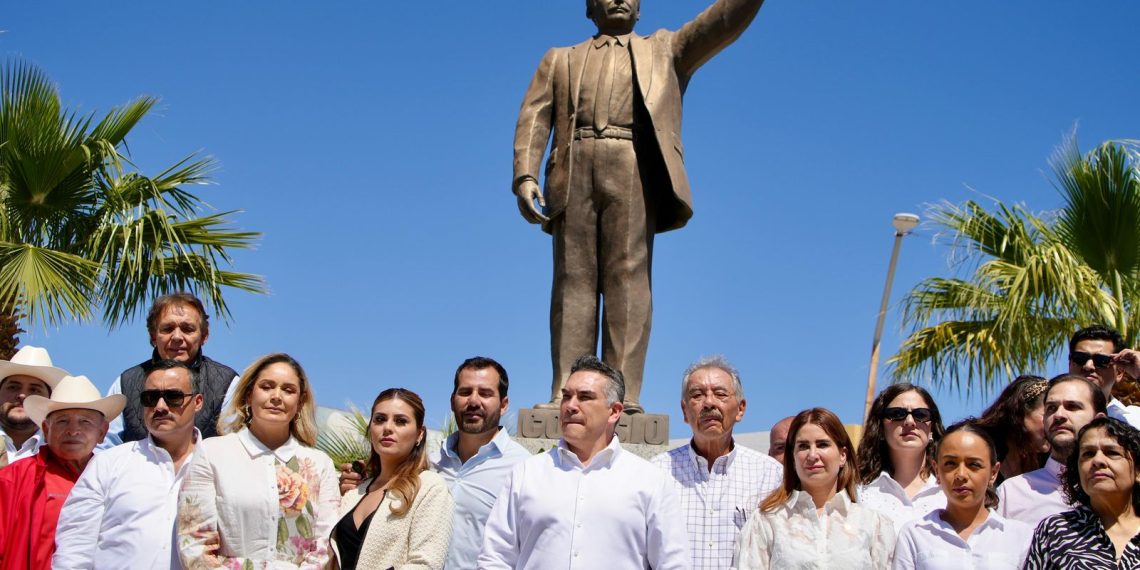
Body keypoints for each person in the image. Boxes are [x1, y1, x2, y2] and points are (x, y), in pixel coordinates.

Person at [513, 0, 766, 412]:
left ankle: (622, 394)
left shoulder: (665, 49)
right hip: (574, 163)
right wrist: (525, 174)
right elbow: (534, 118)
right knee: (571, 282)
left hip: (633, 160)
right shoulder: (559, 59)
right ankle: (568, 390)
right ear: (589, 8)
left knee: (627, 277)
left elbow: (720, 23)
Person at [479, 355, 689, 569]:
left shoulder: (650, 481)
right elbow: (495, 558)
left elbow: (673, 563)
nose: (570, 406)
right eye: (566, 396)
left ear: (614, 411)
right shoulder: (526, 474)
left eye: (585, 397)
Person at [336, 357, 532, 570]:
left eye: (485, 393)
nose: (474, 401)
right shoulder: (429, 460)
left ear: (503, 405)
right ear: (452, 401)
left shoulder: (524, 468)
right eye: (465, 392)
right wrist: (355, 484)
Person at [177, 353, 339, 568]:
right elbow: (194, 544)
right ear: (248, 395)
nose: (276, 396)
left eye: (288, 390)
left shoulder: (321, 465)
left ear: (300, 402)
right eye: (267, 387)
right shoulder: (212, 453)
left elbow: (325, 546)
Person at [54, 360, 205, 569]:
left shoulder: (221, 464)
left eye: (173, 397)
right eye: (150, 398)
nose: (160, 407)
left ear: (198, 402)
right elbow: (74, 549)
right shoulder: (108, 464)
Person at [651, 355, 782, 570]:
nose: (709, 403)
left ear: (740, 409)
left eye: (720, 394)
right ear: (684, 411)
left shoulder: (770, 475)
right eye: (697, 395)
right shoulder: (657, 471)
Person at [732, 407, 895, 569]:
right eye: (803, 446)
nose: (812, 455)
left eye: (822, 444)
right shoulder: (766, 521)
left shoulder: (873, 524)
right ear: (793, 457)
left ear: (843, 455)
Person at [0, 375, 125, 569]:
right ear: (45, 428)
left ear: (102, 432)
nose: (73, 430)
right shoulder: (12, 479)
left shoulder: (119, 481)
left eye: (85, 421)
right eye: (62, 421)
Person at [331, 388, 453, 569]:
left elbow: (426, 564)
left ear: (420, 433)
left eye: (401, 421)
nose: (388, 427)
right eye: (380, 419)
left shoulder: (430, 487)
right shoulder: (356, 491)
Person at [892, 421, 1033, 569]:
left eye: (974, 465)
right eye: (950, 464)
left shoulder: (1020, 536)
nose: (961, 475)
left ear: (993, 473)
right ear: (937, 470)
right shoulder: (915, 534)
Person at [105, 292, 240, 445]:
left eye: (187, 329)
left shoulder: (228, 384)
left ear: (204, 336)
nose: (177, 337)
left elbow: (235, 447)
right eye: (168, 329)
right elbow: (105, 446)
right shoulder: (125, 383)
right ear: (153, 336)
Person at [1024, 417, 1140, 568]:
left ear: (1138, 471)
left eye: (1111, 452)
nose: (1097, 460)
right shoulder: (1056, 530)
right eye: (1088, 454)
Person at [996, 374, 1107, 527]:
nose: (1059, 415)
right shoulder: (1012, 494)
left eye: (1072, 407)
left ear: (1098, 420)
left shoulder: (1122, 488)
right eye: (1051, 408)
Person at [857, 383, 948, 530]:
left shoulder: (950, 490)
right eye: (897, 414)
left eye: (921, 415)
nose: (910, 422)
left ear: (932, 426)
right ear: (879, 427)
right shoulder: (859, 493)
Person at [0, 346, 68, 466]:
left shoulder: (67, 456)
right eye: (13, 387)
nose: (22, 395)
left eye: (34, 390)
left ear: (49, 401)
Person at [975, 375, 1050, 483]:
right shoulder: (980, 445)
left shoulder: (1050, 461)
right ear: (1021, 413)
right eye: (1046, 415)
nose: (1052, 423)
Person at [1067, 324, 1140, 428]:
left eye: (1101, 360)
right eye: (1080, 358)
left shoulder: (1135, 420)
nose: (1088, 366)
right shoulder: (1048, 415)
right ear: (1069, 364)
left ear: (1119, 372)